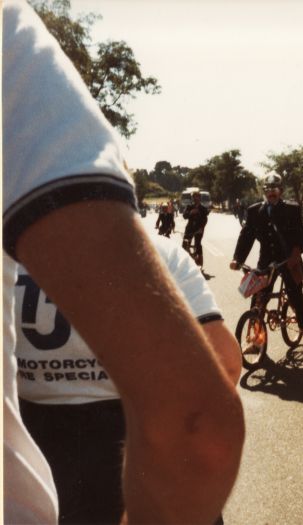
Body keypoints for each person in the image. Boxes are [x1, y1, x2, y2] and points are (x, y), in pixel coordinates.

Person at [3, 2, 244, 523]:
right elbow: (221, 368)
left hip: (36, 451)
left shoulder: (11, 269)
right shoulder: (161, 257)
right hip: (129, 458)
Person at [14, 230, 241, 524]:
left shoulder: (12, 257)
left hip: (38, 459)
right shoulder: (160, 251)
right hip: (145, 451)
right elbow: (225, 363)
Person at [229, 173, 303, 360]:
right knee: (258, 299)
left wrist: (296, 252)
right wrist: (237, 258)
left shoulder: (292, 210)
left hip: (288, 261)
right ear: (264, 191)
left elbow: (301, 236)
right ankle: (256, 342)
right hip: (266, 262)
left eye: (275, 189)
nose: (271, 193)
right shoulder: (254, 211)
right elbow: (247, 236)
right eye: (268, 189)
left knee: (296, 298)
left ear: (281, 190)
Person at [183, 190, 209, 267]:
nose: (195, 199)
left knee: (198, 244)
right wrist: (190, 212)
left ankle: (200, 261)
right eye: (194, 198)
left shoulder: (203, 208)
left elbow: (205, 220)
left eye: (197, 198)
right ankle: (184, 261)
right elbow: (184, 216)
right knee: (184, 244)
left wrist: (201, 228)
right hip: (189, 228)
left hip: (199, 229)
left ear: (199, 198)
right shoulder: (189, 207)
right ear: (192, 199)